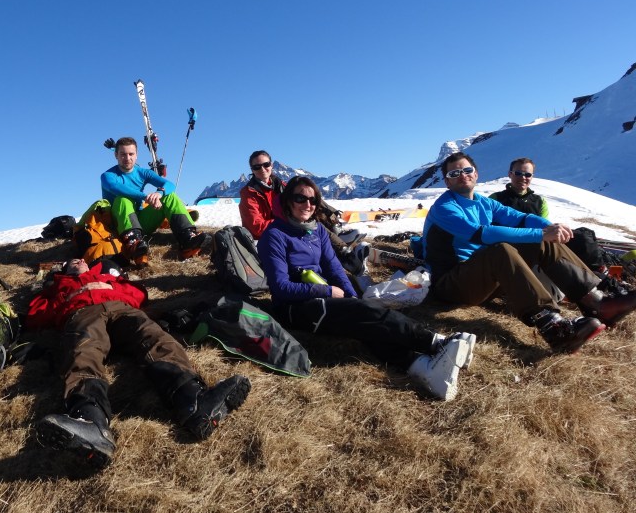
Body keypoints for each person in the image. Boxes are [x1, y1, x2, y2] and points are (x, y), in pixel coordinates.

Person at [257, 176, 475, 402]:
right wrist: (328, 292)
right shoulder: (275, 236)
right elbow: (281, 288)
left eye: (313, 200)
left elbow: (334, 269)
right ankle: (437, 343)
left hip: (323, 298)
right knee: (365, 316)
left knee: (365, 320)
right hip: (295, 308)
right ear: (288, 202)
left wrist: (352, 298)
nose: (308, 205)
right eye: (300, 198)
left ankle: (424, 368)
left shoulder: (318, 230)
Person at [27, 256, 251, 471]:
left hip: (121, 308)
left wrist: (114, 288)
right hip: (83, 314)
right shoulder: (58, 286)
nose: (81, 262)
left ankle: (192, 399)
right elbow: (36, 315)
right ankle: (89, 418)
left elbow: (139, 295)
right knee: (83, 351)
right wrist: (57, 295)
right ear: (65, 270)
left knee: (152, 336)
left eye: (83, 260)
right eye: (74, 262)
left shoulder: (109, 278)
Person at [422, 152, 636, 352]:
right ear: (447, 181)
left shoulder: (483, 202)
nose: (462, 176)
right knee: (503, 249)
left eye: (467, 171)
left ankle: (596, 303)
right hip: (450, 284)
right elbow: (482, 233)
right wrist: (540, 233)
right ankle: (554, 327)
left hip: (481, 280)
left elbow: (521, 218)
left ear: (476, 174)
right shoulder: (444, 208)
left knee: (539, 240)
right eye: (454, 173)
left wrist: (550, 228)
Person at [239, 150, 368, 278]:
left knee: (308, 196)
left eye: (266, 164)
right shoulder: (249, 193)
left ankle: (337, 232)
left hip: (287, 225)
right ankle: (349, 258)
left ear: (271, 165)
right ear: (252, 170)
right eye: (257, 167)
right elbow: (256, 227)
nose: (262, 169)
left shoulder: (281, 185)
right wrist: (289, 219)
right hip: (270, 234)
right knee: (314, 227)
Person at [489, 157, 610, 275]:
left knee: (584, 236)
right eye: (518, 173)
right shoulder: (496, 199)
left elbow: (544, 225)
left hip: (539, 239)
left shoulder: (539, 201)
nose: (523, 178)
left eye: (527, 175)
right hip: (513, 244)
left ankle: (597, 272)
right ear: (510, 174)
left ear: (532, 177)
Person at [102, 136, 210, 264]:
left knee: (169, 196)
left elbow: (169, 185)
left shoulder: (143, 173)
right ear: (116, 155)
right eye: (123, 154)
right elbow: (117, 188)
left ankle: (188, 240)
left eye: (131, 154)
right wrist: (146, 197)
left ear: (136, 155)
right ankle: (133, 245)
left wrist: (159, 194)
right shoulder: (107, 176)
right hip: (118, 225)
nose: (127, 158)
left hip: (140, 223)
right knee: (123, 200)